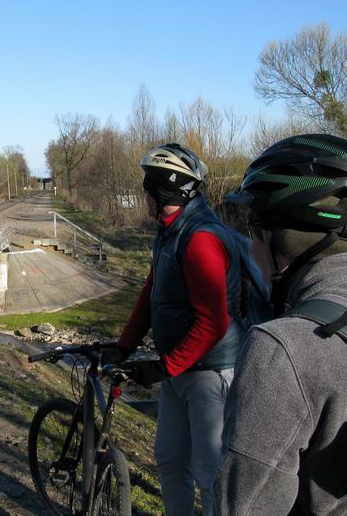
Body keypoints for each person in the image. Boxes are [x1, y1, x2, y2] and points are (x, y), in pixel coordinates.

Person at [215, 134, 347, 515]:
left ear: (286, 239)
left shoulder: (283, 349)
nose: (250, 246)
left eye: (253, 230)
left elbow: (245, 507)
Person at [106, 143, 244, 516]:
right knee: (169, 462)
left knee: (209, 474)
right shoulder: (168, 232)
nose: (143, 197)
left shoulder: (200, 239)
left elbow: (214, 322)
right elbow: (153, 292)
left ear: (160, 192)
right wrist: (125, 346)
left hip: (209, 374)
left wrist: (164, 366)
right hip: (179, 371)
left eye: (146, 189)